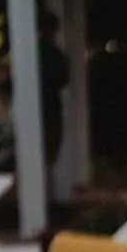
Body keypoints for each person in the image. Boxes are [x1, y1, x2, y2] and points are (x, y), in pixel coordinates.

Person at [37, 9, 70, 169]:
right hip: (51, 108)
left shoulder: (32, 53)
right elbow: (63, 79)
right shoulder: (57, 55)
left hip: (38, 108)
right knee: (49, 155)